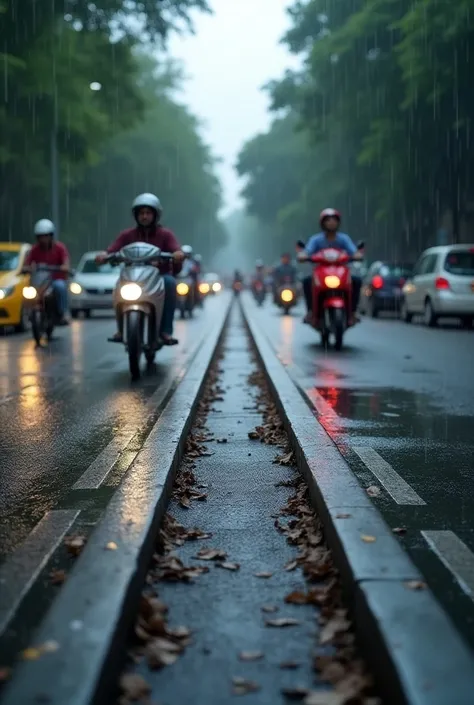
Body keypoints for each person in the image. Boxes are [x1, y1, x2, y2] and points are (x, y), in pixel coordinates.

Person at [96, 193, 184, 345]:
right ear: (136, 215)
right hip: (132, 276)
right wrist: (104, 255)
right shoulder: (127, 235)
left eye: (148, 213)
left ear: (155, 215)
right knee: (118, 286)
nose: (144, 216)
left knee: (170, 283)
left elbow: (176, 249)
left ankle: (165, 331)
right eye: (141, 213)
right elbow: (112, 249)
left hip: (159, 277)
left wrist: (178, 254)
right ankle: (120, 329)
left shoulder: (165, 234)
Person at [297, 208, 362, 324]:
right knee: (306, 281)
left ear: (338, 222)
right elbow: (307, 252)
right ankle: (311, 311)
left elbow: (354, 251)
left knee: (356, 281)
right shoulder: (316, 240)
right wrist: (303, 255)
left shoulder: (344, 239)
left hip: (340, 271)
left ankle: (352, 311)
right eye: (328, 220)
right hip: (321, 271)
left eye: (334, 220)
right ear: (323, 223)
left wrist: (357, 255)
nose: (331, 222)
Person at [24, 219, 70, 325]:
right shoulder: (34, 250)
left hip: (55, 279)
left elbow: (66, 263)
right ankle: (29, 311)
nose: (43, 239)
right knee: (29, 291)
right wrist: (27, 269)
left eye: (46, 236)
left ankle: (63, 312)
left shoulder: (60, 248)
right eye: (40, 236)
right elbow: (27, 264)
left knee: (60, 287)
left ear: (51, 236)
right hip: (39, 281)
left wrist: (63, 267)